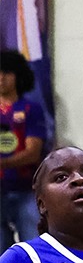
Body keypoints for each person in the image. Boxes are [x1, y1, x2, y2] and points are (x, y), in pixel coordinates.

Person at [0, 49, 47, 248]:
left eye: (6, 72)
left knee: (34, 246)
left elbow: (33, 153)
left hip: (27, 190)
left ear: (17, 75)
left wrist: (3, 163)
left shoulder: (31, 110)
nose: (1, 78)